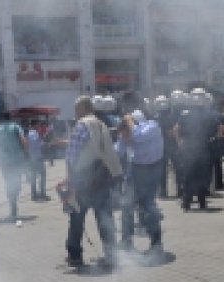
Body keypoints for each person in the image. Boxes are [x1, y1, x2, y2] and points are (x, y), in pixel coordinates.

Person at [64, 96, 122, 268]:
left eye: (76, 110)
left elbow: (71, 154)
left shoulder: (82, 124)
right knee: (105, 217)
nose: (75, 114)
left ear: (82, 109)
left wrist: (69, 178)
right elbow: (110, 152)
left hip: (83, 178)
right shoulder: (101, 124)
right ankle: (112, 255)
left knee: (76, 217)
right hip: (102, 178)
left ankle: (75, 255)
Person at [116, 111, 164, 255]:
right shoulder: (127, 133)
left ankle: (156, 243)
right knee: (126, 204)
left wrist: (130, 123)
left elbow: (137, 136)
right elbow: (118, 151)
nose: (126, 137)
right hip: (135, 169)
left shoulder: (152, 127)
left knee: (147, 206)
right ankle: (126, 240)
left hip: (152, 169)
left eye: (126, 133)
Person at [175, 88, 218, 211]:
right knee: (202, 176)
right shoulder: (210, 114)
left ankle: (186, 202)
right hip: (204, 148)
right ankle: (202, 202)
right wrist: (213, 139)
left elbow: (177, 129)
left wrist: (180, 143)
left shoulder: (185, 114)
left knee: (189, 175)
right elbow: (218, 130)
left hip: (190, 149)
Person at [0, 112, 28, 220]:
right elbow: (23, 141)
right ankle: (13, 201)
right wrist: (26, 153)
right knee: (17, 182)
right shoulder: (15, 127)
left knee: (8, 181)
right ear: (10, 118)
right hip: (16, 160)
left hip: (3, 162)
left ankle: (12, 201)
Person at [153, 95, 173, 198]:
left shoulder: (154, 118)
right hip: (168, 145)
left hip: (157, 146)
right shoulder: (169, 118)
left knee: (160, 169)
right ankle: (179, 189)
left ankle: (162, 191)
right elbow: (170, 133)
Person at [27, 120, 49, 201]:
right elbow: (37, 142)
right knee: (42, 176)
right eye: (38, 125)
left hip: (32, 158)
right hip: (37, 158)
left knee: (34, 177)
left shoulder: (31, 133)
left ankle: (34, 194)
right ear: (35, 125)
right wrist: (43, 137)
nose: (39, 127)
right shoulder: (33, 133)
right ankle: (42, 194)